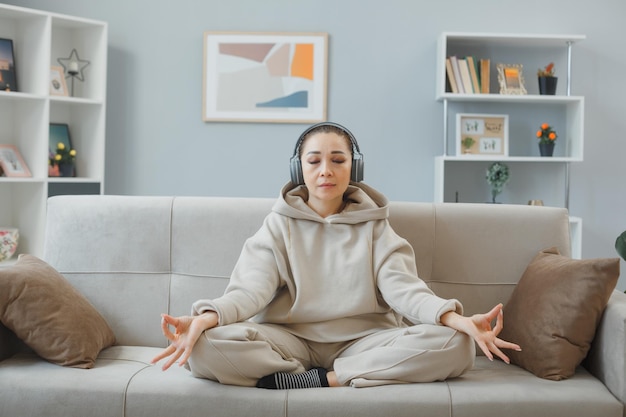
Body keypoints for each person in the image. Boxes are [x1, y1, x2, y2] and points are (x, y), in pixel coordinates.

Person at [151, 122, 521, 389]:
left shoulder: (376, 227)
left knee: (456, 347)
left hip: (364, 340)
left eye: (337, 160)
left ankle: (324, 379)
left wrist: (457, 320)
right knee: (203, 349)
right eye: (313, 161)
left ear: (353, 168)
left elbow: (405, 290)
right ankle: (313, 373)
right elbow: (249, 292)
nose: (325, 171)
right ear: (299, 169)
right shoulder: (277, 226)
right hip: (289, 342)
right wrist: (207, 319)